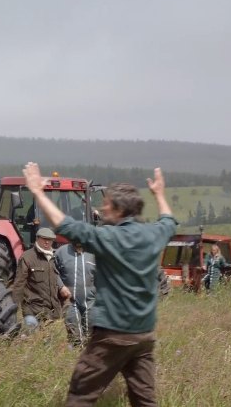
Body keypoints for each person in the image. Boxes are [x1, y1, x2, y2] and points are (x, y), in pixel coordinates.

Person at [23, 162, 176, 407]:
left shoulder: (108, 237)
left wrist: (39, 193)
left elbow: (65, 225)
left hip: (112, 335)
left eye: (105, 205)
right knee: (145, 401)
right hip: (144, 336)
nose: (101, 209)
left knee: (80, 396)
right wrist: (159, 194)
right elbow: (168, 221)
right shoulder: (153, 234)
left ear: (117, 209)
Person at [11, 227, 71, 330]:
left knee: (49, 343)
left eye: (50, 239)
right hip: (33, 311)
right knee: (32, 340)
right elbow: (19, 284)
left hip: (53, 313)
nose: (47, 242)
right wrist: (13, 312)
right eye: (44, 239)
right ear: (37, 238)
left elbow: (60, 278)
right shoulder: (27, 257)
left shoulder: (55, 258)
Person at [55, 241, 96, 345]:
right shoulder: (61, 252)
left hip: (90, 299)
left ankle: (88, 356)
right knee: (74, 332)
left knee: (91, 333)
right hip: (69, 299)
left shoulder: (94, 252)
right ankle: (74, 356)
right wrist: (61, 286)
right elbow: (53, 271)